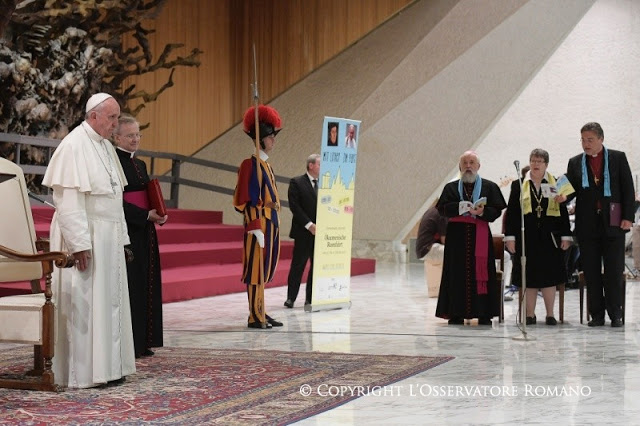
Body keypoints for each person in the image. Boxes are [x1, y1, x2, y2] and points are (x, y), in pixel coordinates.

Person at [42, 93, 136, 388]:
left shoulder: (106, 147)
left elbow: (114, 197)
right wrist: (80, 244)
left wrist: (122, 238)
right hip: (87, 236)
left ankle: (109, 367)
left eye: (117, 117)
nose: (115, 124)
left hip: (108, 237)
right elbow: (68, 201)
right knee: (87, 304)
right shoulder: (73, 145)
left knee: (110, 304)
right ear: (93, 116)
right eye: (111, 118)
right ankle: (85, 373)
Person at [563, 122, 634, 327]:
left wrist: (628, 216)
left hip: (613, 223)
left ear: (601, 139)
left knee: (613, 271)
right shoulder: (575, 162)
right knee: (592, 272)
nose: (585, 144)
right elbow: (570, 190)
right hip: (587, 226)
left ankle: (616, 314)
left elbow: (627, 188)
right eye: (583, 140)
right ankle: (596, 315)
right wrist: (562, 197)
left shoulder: (618, 158)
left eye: (590, 140)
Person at [113, 114, 166, 358]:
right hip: (128, 231)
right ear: (117, 137)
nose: (135, 139)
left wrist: (160, 214)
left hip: (146, 231)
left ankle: (145, 341)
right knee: (133, 285)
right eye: (130, 135)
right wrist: (145, 215)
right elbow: (115, 202)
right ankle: (131, 344)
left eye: (138, 134)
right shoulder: (113, 162)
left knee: (147, 283)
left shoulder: (141, 164)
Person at [435, 151, 506, 325]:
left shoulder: (489, 187)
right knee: (455, 273)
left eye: (472, 162)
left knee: (481, 274)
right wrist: (459, 207)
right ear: (460, 167)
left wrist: (482, 211)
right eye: (465, 163)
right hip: (456, 239)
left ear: (478, 166)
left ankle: (484, 313)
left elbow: (497, 209)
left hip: (480, 235)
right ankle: (456, 313)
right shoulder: (450, 188)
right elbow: (441, 209)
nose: (468, 166)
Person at [504, 149, 572, 326]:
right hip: (527, 237)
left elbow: (563, 212)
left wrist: (566, 235)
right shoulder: (518, 184)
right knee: (529, 276)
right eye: (533, 160)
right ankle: (529, 314)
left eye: (540, 161)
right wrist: (510, 237)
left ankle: (550, 314)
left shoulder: (556, 182)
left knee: (549, 276)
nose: (535, 164)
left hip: (550, 237)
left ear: (546, 165)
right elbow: (512, 213)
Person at [233, 104, 284, 329]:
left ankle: (261, 310)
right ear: (261, 139)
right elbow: (246, 199)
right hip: (259, 223)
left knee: (265, 270)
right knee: (255, 271)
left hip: (270, 222)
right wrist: (255, 226)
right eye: (270, 136)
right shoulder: (249, 165)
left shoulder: (266, 165)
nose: (273, 140)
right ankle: (255, 315)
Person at [284, 154, 320, 309]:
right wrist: (309, 225)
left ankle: (310, 298)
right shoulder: (296, 182)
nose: (322, 167)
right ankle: (291, 298)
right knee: (298, 265)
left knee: (315, 266)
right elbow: (295, 207)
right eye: (319, 164)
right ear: (311, 165)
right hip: (303, 232)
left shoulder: (326, 185)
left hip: (319, 233)